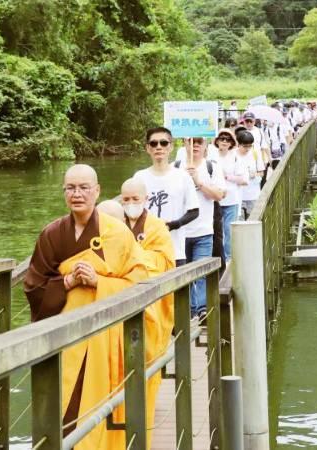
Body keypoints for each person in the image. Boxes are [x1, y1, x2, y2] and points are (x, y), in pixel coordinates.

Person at [23, 164, 148, 449]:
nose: (77, 194)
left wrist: (98, 283)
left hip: (105, 333)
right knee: (64, 402)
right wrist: (66, 282)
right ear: (64, 192)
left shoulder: (117, 233)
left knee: (101, 404)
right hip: (65, 334)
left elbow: (140, 282)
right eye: (70, 188)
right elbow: (33, 286)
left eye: (83, 188)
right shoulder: (52, 233)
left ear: (97, 191)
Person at [118, 177, 175, 450]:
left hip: (151, 301)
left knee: (148, 360)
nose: (130, 204)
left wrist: (134, 255)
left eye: (135, 199)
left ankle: (144, 418)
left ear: (146, 199)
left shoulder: (157, 227)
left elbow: (166, 261)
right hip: (120, 298)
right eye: (125, 199)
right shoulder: (113, 223)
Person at [175, 137, 226, 318]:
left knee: (202, 273)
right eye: (191, 141)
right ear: (184, 143)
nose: (195, 145)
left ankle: (203, 310)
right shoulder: (175, 167)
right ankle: (189, 310)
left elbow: (220, 195)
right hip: (180, 231)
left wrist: (198, 181)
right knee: (184, 275)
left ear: (206, 145)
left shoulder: (212, 167)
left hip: (204, 229)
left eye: (199, 142)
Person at [134, 127, 199, 266]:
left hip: (175, 250)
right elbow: (130, 209)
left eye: (163, 143)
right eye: (153, 143)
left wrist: (172, 225)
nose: (158, 147)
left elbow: (194, 211)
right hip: (145, 250)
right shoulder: (139, 177)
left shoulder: (182, 176)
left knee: (179, 287)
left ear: (170, 147)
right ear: (147, 148)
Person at [212, 129, 247, 262]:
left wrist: (226, 176)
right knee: (216, 230)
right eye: (222, 139)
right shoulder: (211, 156)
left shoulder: (235, 157)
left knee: (228, 229)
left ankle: (228, 259)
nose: (224, 141)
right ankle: (217, 258)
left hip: (231, 199)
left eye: (227, 139)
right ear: (217, 141)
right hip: (215, 198)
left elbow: (243, 179)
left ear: (232, 142)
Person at [235, 130, 261, 219]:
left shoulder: (255, 153)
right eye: (245, 146)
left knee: (253, 219)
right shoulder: (233, 155)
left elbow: (261, 172)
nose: (247, 149)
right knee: (240, 220)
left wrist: (255, 175)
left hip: (253, 193)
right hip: (238, 194)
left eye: (250, 146)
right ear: (238, 144)